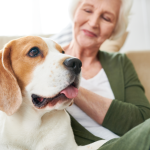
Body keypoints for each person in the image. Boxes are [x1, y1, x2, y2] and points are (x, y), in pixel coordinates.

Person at [52, 0, 150, 149]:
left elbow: (143, 119)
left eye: (106, 18)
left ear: (115, 29)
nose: (93, 23)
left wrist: (71, 88)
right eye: (88, 10)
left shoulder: (120, 62)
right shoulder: (48, 61)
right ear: (75, 12)